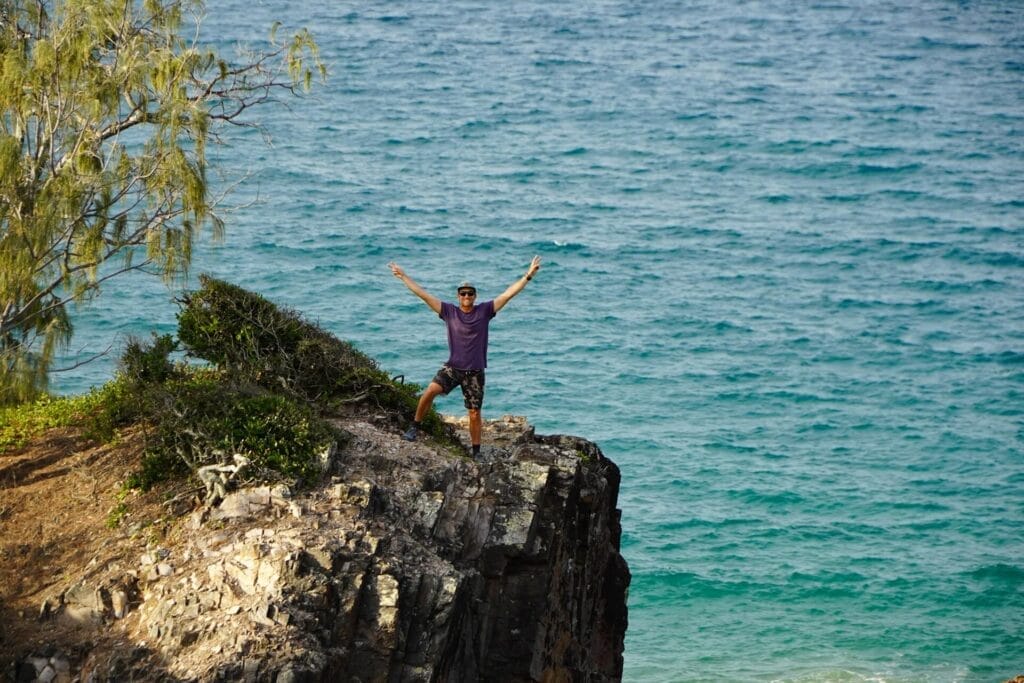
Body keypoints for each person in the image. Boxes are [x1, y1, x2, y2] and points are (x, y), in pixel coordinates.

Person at [387, 256, 542, 457]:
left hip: (475, 371)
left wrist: (528, 275)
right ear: (458, 296)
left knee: (475, 412)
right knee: (430, 391)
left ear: (475, 296)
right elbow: (423, 295)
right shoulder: (449, 311)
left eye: (470, 293)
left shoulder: (485, 311)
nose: (466, 296)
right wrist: (404, 277)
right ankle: (415, 427)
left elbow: (508, 295)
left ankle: (476, 451)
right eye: (463, 294)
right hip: (453, 368)